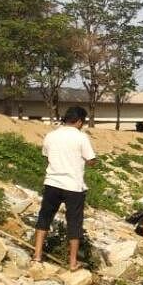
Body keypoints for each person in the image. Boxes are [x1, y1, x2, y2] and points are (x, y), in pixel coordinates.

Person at [32, 106, 97, 272]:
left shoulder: (51, 135)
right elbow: (91, 160)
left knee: (44, 217)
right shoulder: (81, 137)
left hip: (52, 182)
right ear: (80, 121)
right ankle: (73, 262)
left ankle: (37, 256)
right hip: (73, 186)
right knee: (74, 223)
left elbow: (46, 156)